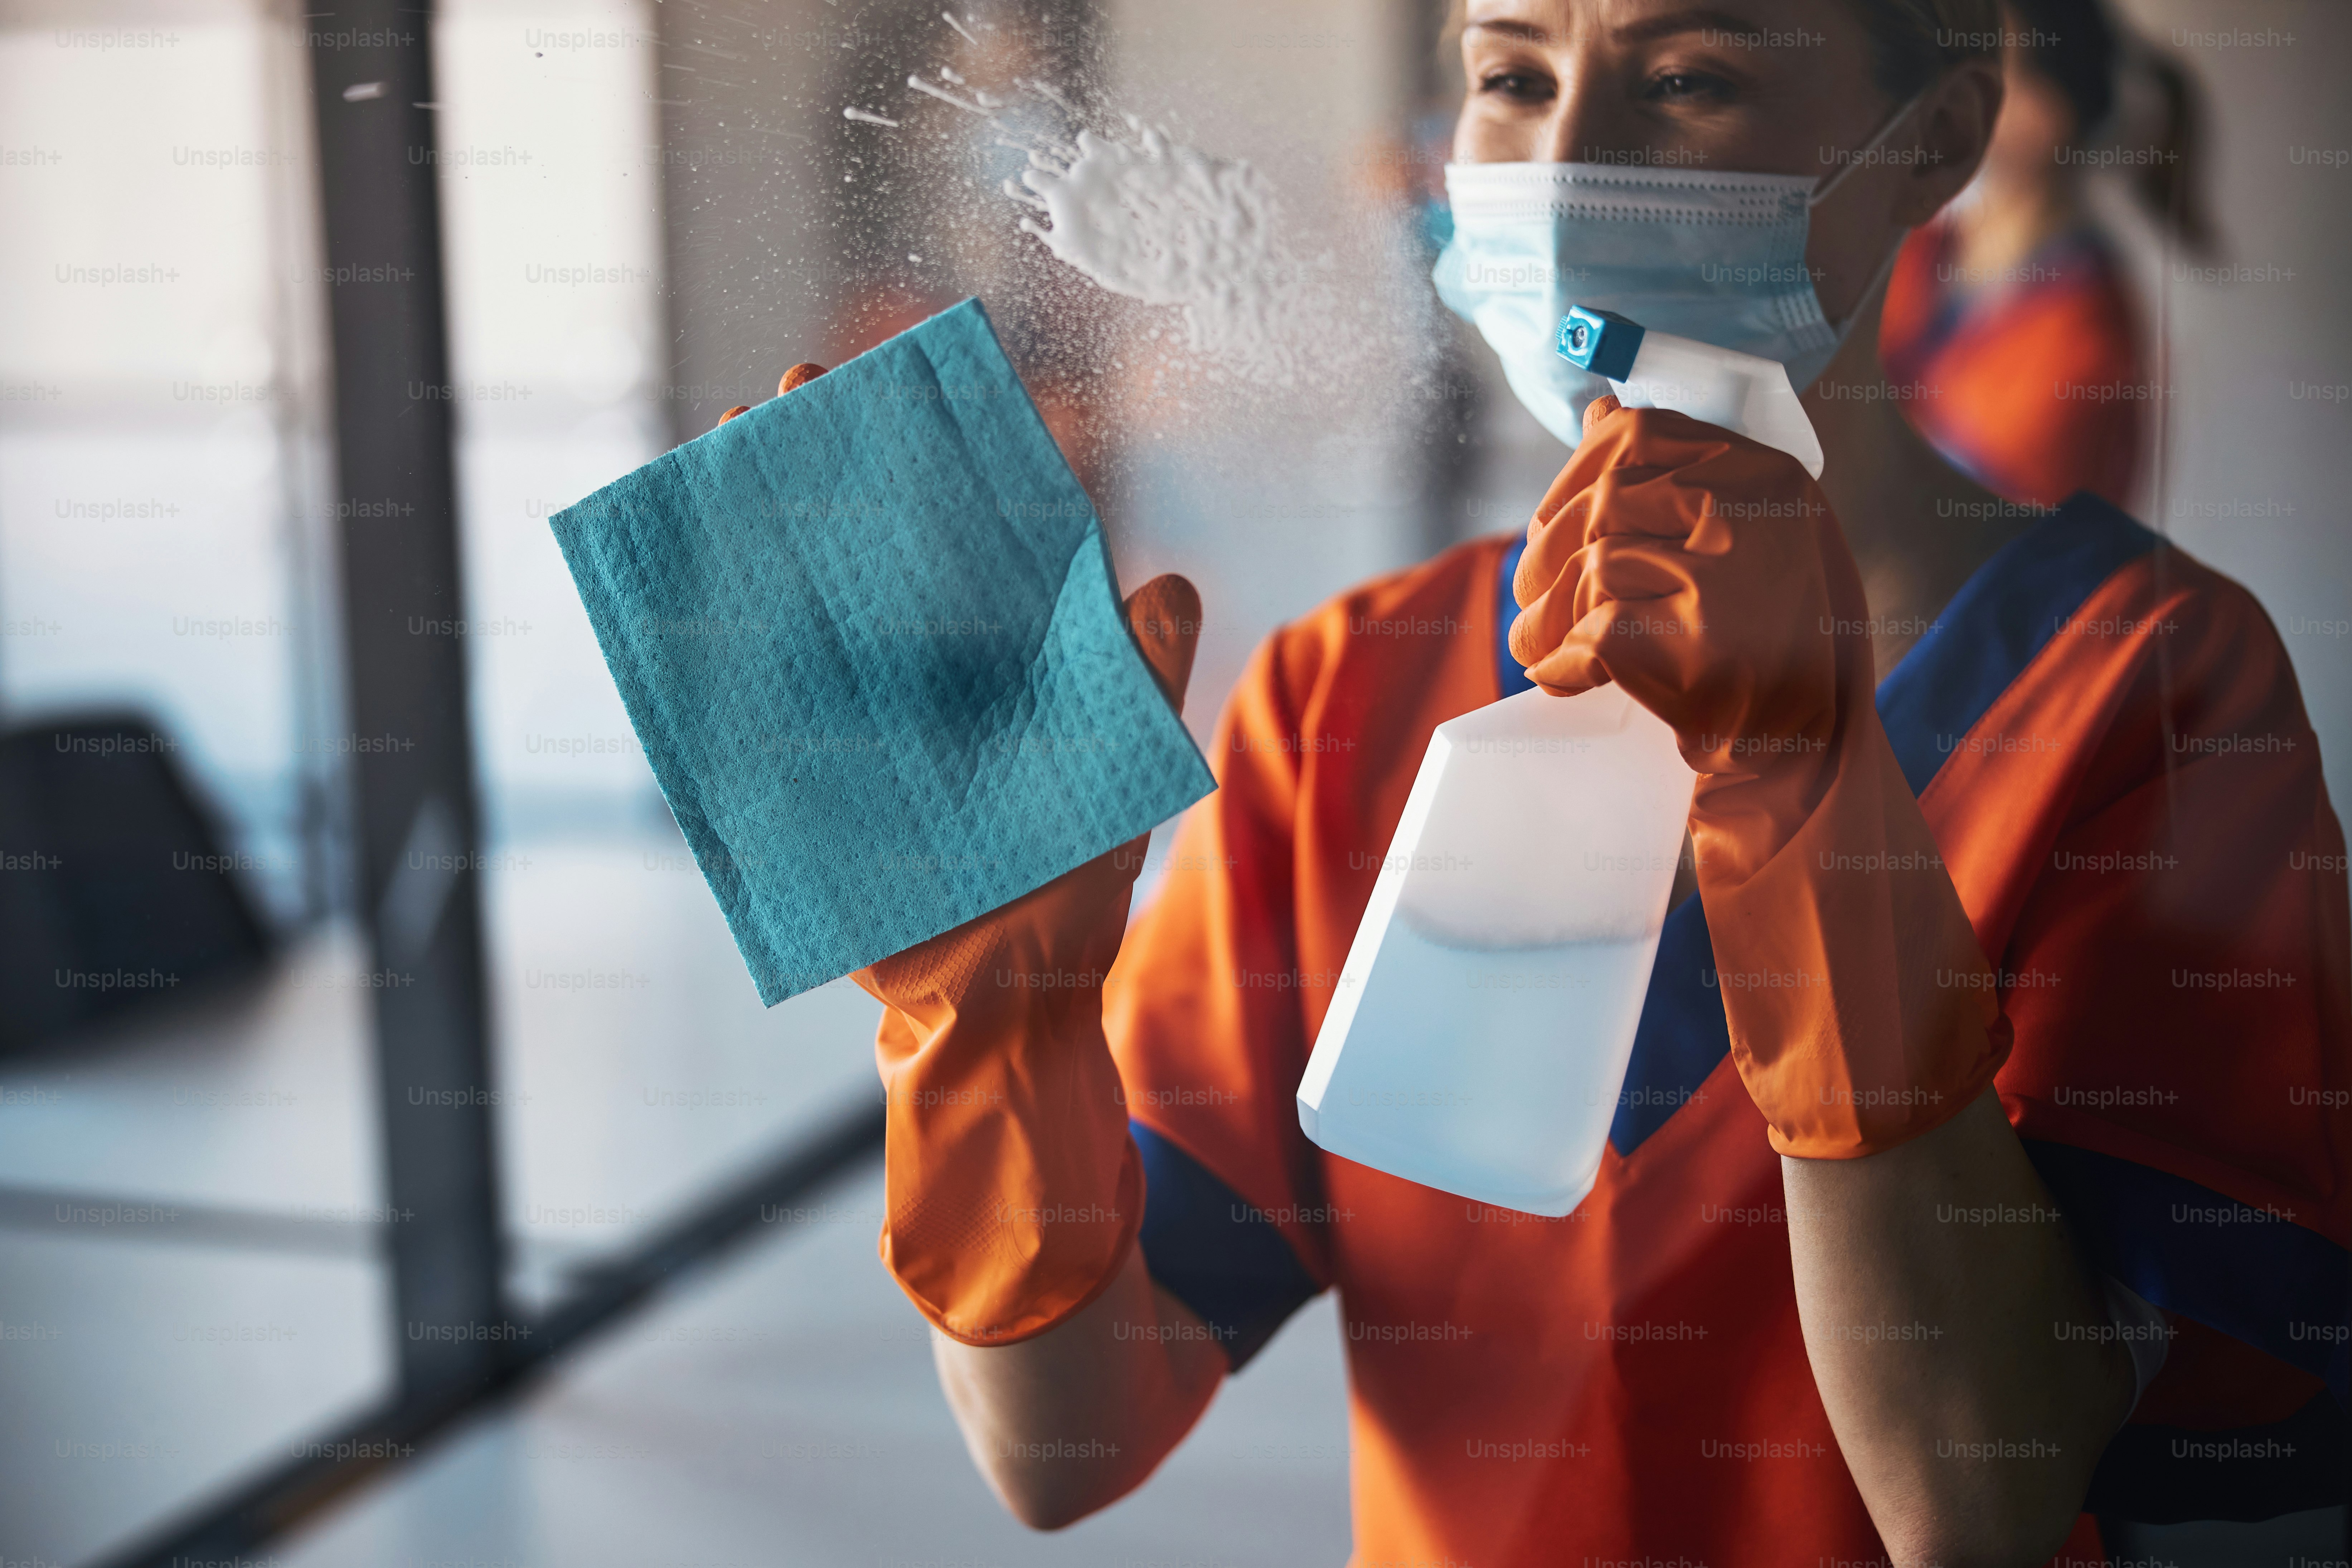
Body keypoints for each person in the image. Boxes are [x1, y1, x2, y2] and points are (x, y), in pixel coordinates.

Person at [739, 1, 2348, 1562]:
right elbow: (1061, 1443)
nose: (1564, 167)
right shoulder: (1343, 698)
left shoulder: (2143, 689)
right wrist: (983, 1034)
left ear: (1929, 141)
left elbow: (1974, 1495)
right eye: (1510, 76)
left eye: (1691, 80)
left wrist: (1807, 800)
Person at [1879, 0, 2211, 510]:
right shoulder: (1920, 247)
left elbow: (1965, 521)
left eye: (1985, 62)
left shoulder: (2087, 342)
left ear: (2048, 115)